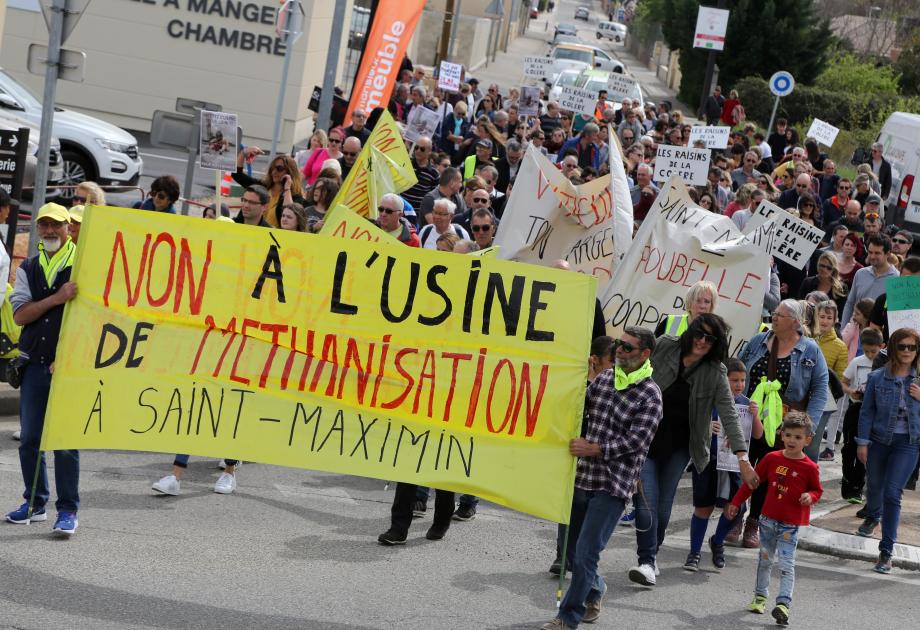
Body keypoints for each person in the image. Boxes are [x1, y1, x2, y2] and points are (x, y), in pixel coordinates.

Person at [539, 328, 663, 630]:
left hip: (614, 484)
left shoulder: (650, 394)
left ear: (645, 354)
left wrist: (594, 449)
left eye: (628, 348)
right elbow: (578, 407)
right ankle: (595, 590)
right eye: (619, 345)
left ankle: (568, 617)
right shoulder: (607, 379)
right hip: (583, 477)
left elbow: (636, 442)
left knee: (586, 552)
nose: (620, 351)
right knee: (576, 551)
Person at [627, 314, 758, 587]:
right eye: (699, 333)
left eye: (709, 338)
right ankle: (647, 561)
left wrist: (743, 458)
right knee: (645, 504)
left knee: (663, 509)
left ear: (716, 344)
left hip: (680, 448)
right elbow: (633, 375)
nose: (701, 341)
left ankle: (652, 555)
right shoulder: (665, 345)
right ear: (691, 331)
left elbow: (730, 416)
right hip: (645, 439)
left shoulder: (715, 372)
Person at [5, 203, 80, 535]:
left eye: (56, 226)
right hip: (34, 364)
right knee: (30, 440)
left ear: (68, 228)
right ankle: (35, 503)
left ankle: (67, 510)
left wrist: (69, 356)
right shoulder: (29, 267)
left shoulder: (84, 264)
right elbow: (20, 315)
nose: (50, 232)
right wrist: (56, 298)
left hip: (69, 368)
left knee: (64, 442)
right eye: (44, 226)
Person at [737, 299, 828, 548]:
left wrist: (808, 423)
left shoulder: (810, 350)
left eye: (780, 315)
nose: (774, 318)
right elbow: (738, 370)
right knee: (740, 466)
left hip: (782, 424)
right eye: (774, 313)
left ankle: (753, 522)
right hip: (748, 416)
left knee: (768, 473)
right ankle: (734, 514)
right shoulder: (758, 341)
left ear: (796, 322)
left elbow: (820, 389)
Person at [725, 412, 822, 626]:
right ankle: (760, 598)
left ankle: (783, 605)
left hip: (790, 525)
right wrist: (736, 502)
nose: (791, 441)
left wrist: (810, 496)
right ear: (781, 435)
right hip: (767, 520)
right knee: (765, 561)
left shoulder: (810, 467)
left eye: (797, 437)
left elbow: (817, 490)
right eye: (788, 435)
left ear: (808, 440)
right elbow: (753, 482)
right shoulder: (772, 458)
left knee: (787, 564)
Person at [855, 327, 920, 574]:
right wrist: (862, 442)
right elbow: (867, 411)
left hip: (909, 443)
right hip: (879, 440)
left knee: (893, 493)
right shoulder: (877, 377)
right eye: (902, 346)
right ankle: (873, 515)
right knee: (874, 486)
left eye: (912, 347)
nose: (906, 351)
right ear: (893, 348)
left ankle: (886, 551)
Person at [839, 328, 883, 502]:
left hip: (874, 411)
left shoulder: (884, 364)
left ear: (882, 346)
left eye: (874, 351)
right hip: (856, 407)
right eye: (866, 351)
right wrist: (852, 391)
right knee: (849, 446)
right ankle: (847, 480)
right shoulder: (857, 362)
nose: (870, 355)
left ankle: (857, 487)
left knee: (866, 449)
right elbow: (844, 383)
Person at [811, 301, 848, 461]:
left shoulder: (840, 346)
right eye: (821, 316)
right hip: (800, 396)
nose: (824, 320)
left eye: (829, 317)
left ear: (835, 320)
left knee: (813, 442)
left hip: (824, 401)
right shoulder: (806, 337)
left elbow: (840, 377)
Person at [235, 149, 307, 227]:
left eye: (279, 169)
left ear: (290, 172)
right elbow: (237, 175)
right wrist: (243, 153)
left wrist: (287, 189)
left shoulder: (295, 196)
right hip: (247, 232)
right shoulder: (262, 187)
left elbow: (290, 213)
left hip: (273, 237)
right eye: (272, 168)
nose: (274, 172)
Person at [841, 234, 897, 327]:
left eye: (877, 253)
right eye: (870, 252)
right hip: (854, 331)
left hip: (877, 337)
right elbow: (850, 303)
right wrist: (843, 329)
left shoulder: (896, 279)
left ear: (888, 254)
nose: (872, 256)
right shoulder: (860, 273)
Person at [401, 136, 440, 211]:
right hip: (400, 209)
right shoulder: (406, 164)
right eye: (416, 147)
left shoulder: (434, 173)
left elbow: (433, 197)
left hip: (418, 213)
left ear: (429, 151)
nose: (418, 151)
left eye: (422, 149)